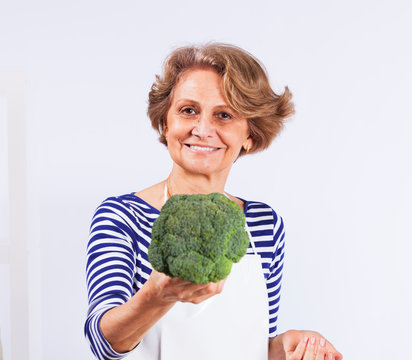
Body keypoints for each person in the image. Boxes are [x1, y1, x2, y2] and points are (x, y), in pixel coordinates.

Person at [85, 43, 342, 360]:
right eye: (188, 110)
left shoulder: (264, 223)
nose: (202, 129)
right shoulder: (124, 216)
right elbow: (103, 342)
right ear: (166, 123)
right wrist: (157, 295)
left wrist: (284, 348)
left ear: (249, 134)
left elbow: (250, 344)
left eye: (224, 115)